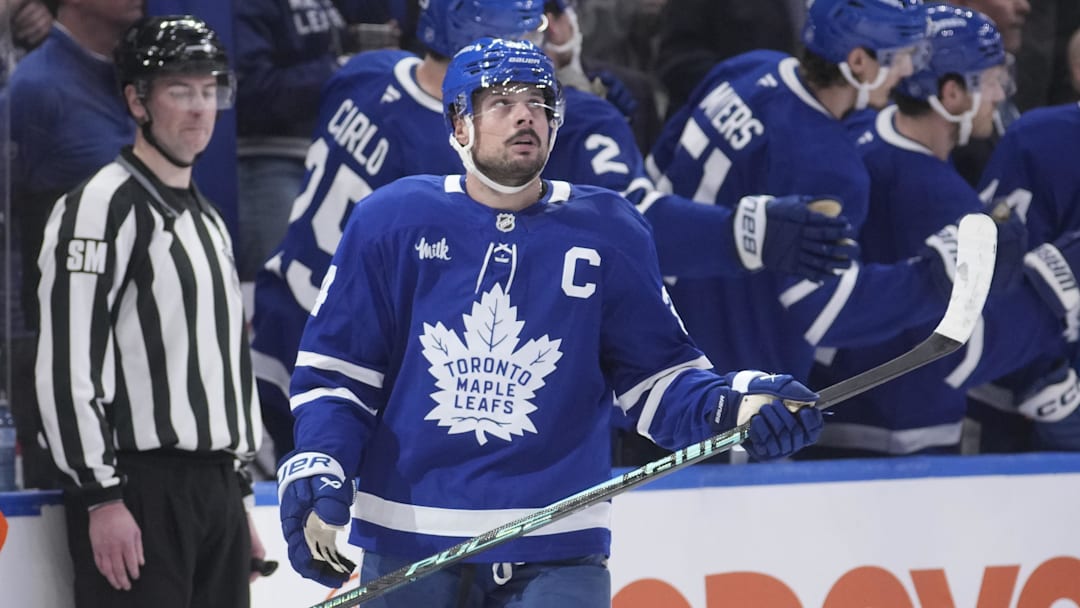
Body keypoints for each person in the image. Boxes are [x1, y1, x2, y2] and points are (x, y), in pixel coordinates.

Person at [276, 37, 824, 604]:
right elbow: (339, 378)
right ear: (459, 124)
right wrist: (323, 461)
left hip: (559, 548)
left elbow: (659, 382)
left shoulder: (610, 229)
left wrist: (733, 404)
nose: (524, 115)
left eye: (538, 102)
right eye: (501, 102)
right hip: (409, 543)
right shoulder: (391, 222)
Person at [251, 0, 857, 461]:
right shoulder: (459, 156)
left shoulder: (363, 75)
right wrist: (743, 234)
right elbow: (626, 223)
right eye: (530, 30)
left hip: (286, 334)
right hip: (367, 378)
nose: (549, 40)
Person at [34, 15, 265, 607]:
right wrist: (101, 496)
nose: (200, 107)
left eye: (210, 90)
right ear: (137, 100)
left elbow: (225, 368)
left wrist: (240, 503)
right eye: (179, 90)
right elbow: (66, 367)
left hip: (216, 491)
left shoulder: (208, 219)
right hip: (140, 488)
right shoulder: (99, 207)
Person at [646, 0, 962, 387]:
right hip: (730, 379)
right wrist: (933, 277)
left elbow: (655, 177)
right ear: (859, 62)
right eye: (901, 56)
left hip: (652, 336)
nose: (909, 69)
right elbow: (827, 311)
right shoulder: (829, 166)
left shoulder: (748, 66)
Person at [799, 5, 1060, 457]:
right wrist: (1053, 293)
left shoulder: (866, 128)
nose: (1000, 95)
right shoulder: (945, 202)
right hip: (898, 435)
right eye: (991, 79)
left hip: (827, 405)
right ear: (952, 93)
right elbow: (966, 350)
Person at [3, 0, 142, 490]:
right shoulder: (36, 90)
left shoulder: (142, 72)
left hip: (135, 338)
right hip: (58, 342)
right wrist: (28, 348)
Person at [234, 0, 347, 281]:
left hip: (322, 157)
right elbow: (249, 89)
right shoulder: (243, 8)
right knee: (281, 286)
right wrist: (337, 68)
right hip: (266, 161)